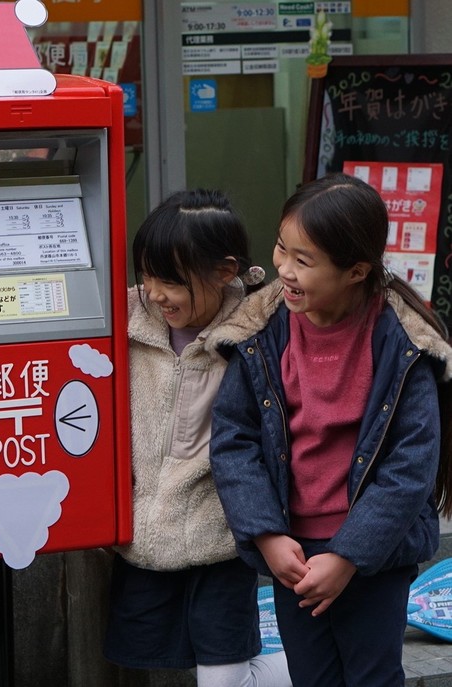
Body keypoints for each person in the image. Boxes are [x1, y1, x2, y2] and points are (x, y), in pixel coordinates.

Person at [210, 173, 452, 686]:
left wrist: (348, 555)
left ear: (356, 271)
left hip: (375, 556)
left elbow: (411, 465)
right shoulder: (261, 331)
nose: (284, 269)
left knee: (372, 675)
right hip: (292, 554)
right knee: (312, 678)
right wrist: (269, 535)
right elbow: (234, 440)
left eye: (305, 260)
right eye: (282, 248)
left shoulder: (404, 342)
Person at [103, 189, 291, 687]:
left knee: (223, 678)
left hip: (222, 537)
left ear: (225, 271)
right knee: (149, 659)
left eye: (170, 280)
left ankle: (331, 663)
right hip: (143, 537)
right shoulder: (122, 323)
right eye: (146, 276)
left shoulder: (260, 330)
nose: (155, 292)